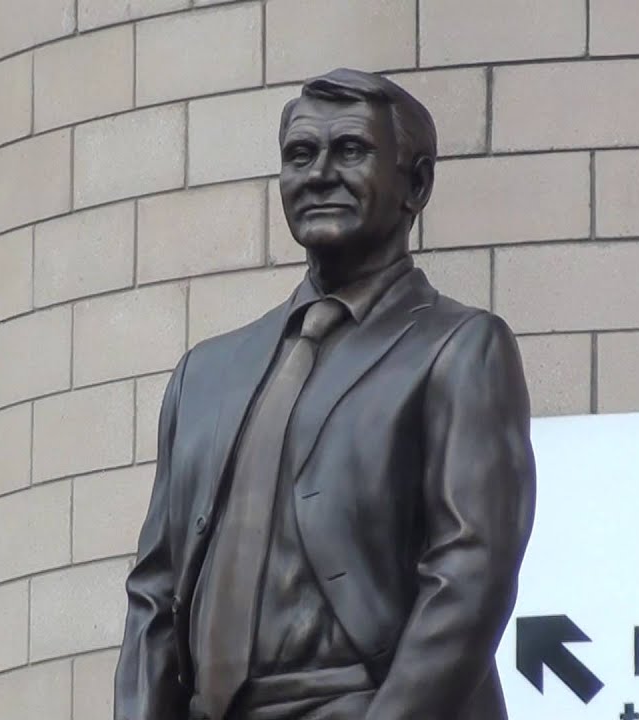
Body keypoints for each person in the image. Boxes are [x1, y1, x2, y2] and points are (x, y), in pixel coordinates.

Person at [114, 67, 536, 720]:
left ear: (415, 184)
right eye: (300, 155)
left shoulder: (458, 349)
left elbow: (468, 578)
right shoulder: (206, 374)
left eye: (352, 151)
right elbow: (155, 595)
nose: (319, 174)